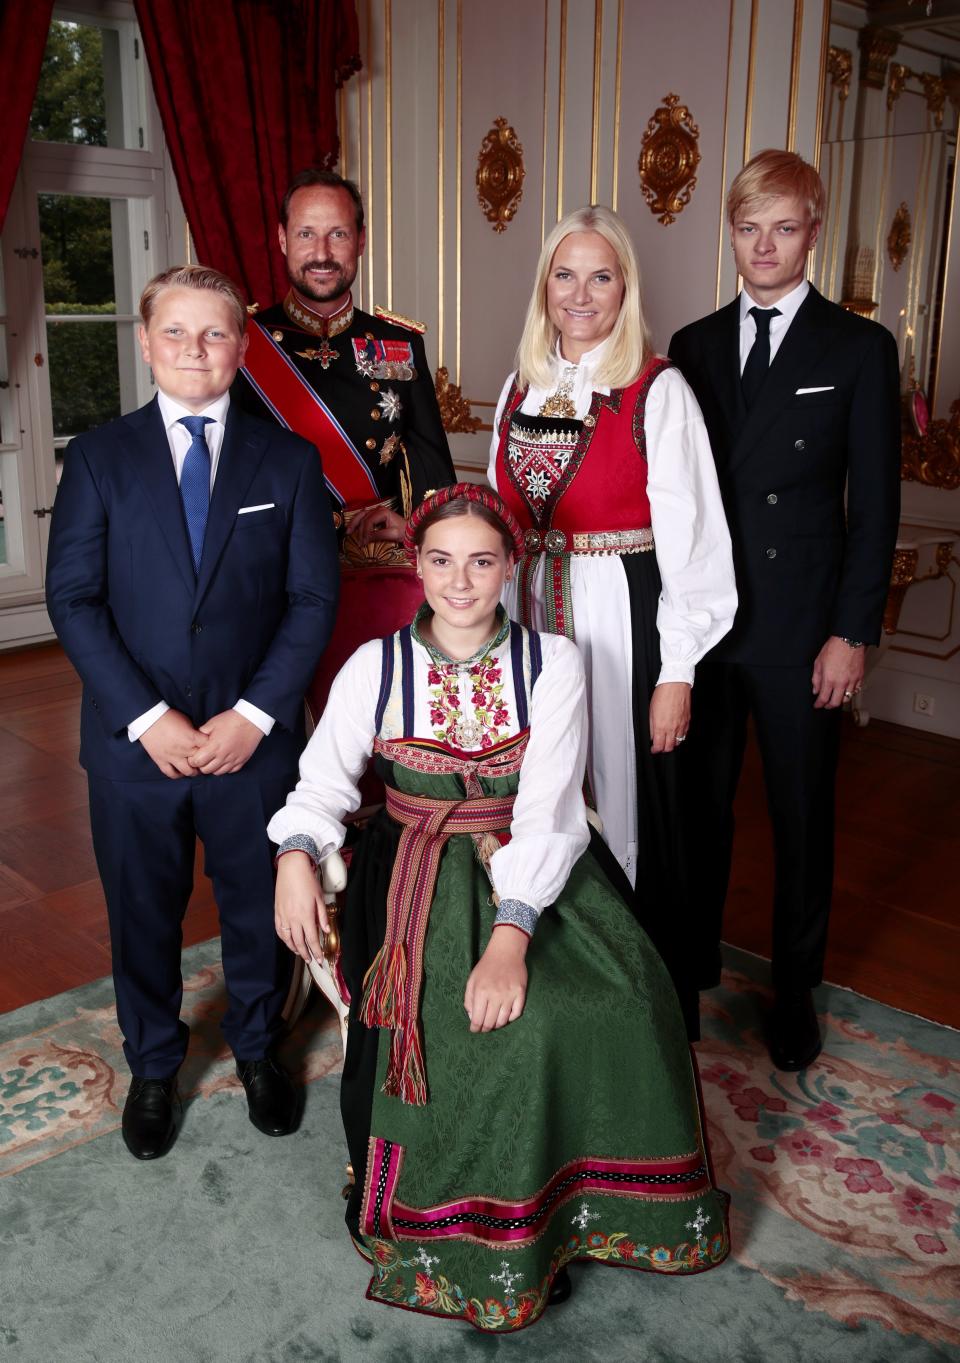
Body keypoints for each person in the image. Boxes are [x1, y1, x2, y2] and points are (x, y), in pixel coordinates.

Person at [268, 485, 730, 1333]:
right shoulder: (374, 665)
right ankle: (472, 1222)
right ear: (418, 565)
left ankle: (565, 1211)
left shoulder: (550, 661)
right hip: (407, 869)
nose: (460, 580)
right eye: (440, 560)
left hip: (530, 865)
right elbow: (321, 783)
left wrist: (511, 938)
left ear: (511, 565)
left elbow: (550, 809)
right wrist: (295, 853)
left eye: (482, 560)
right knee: (470, 1026)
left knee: (619, 998)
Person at [45, 265, 339, 1160]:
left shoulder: (286, 460)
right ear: (145, 342)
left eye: (214, 334)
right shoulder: (98, 458)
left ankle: (258, 1049)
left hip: (253, 741)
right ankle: (152, 1064)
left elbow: (311, 602)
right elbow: (73, 598)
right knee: (144, 910)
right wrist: (146, 717)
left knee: (258, 905)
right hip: (138, 745)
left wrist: (255, 714)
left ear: (242, 347)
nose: (194, 350)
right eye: (174, 333)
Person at [668, 149, 901, 1071]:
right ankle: (687, 971)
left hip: (804, 628)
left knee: (803, 816)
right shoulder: (690, 345)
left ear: (813, 230)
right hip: (705, 626)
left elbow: (873, 506)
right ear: (730, 231)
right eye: (747, 226)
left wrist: (852, 632)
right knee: (698, 812)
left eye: (784, 227)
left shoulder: (857, 348)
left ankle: (795, 990)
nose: (763, 245)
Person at [487, 205, 737, 1036]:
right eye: (565, 274)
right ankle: (551, 982)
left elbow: (694, 542)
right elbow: (496, 520)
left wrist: (676, 673)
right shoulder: (519, 385)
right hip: (531, 607)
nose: (581, 293)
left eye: (600, 275)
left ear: (624, 286)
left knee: (625, 805)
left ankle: (639, 1010)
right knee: (541, 793)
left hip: (624, 614)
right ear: (544, 286)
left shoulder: (655, 388)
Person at [233, 168, 455, 716]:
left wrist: (418, 529)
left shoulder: (397, 342)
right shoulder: (244, 345)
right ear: (283, 240)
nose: (322, 251)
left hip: (375, 571)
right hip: (276, 574)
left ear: (359, 240)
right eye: (307, 234)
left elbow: (431, 463)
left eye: (338, 234)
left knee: (389, 720)